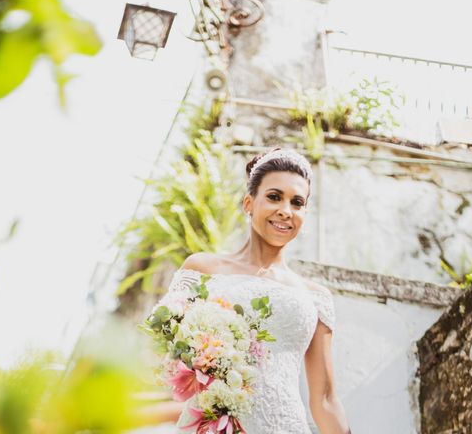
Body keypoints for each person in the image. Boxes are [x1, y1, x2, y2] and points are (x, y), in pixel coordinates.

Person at [150, 147, 351, 433]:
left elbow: (326, 400)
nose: (285, 210)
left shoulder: (316, 297)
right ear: (248, 203)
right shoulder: (202, 269)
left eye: (297, 202)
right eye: (274, 197)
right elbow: (163, 351)